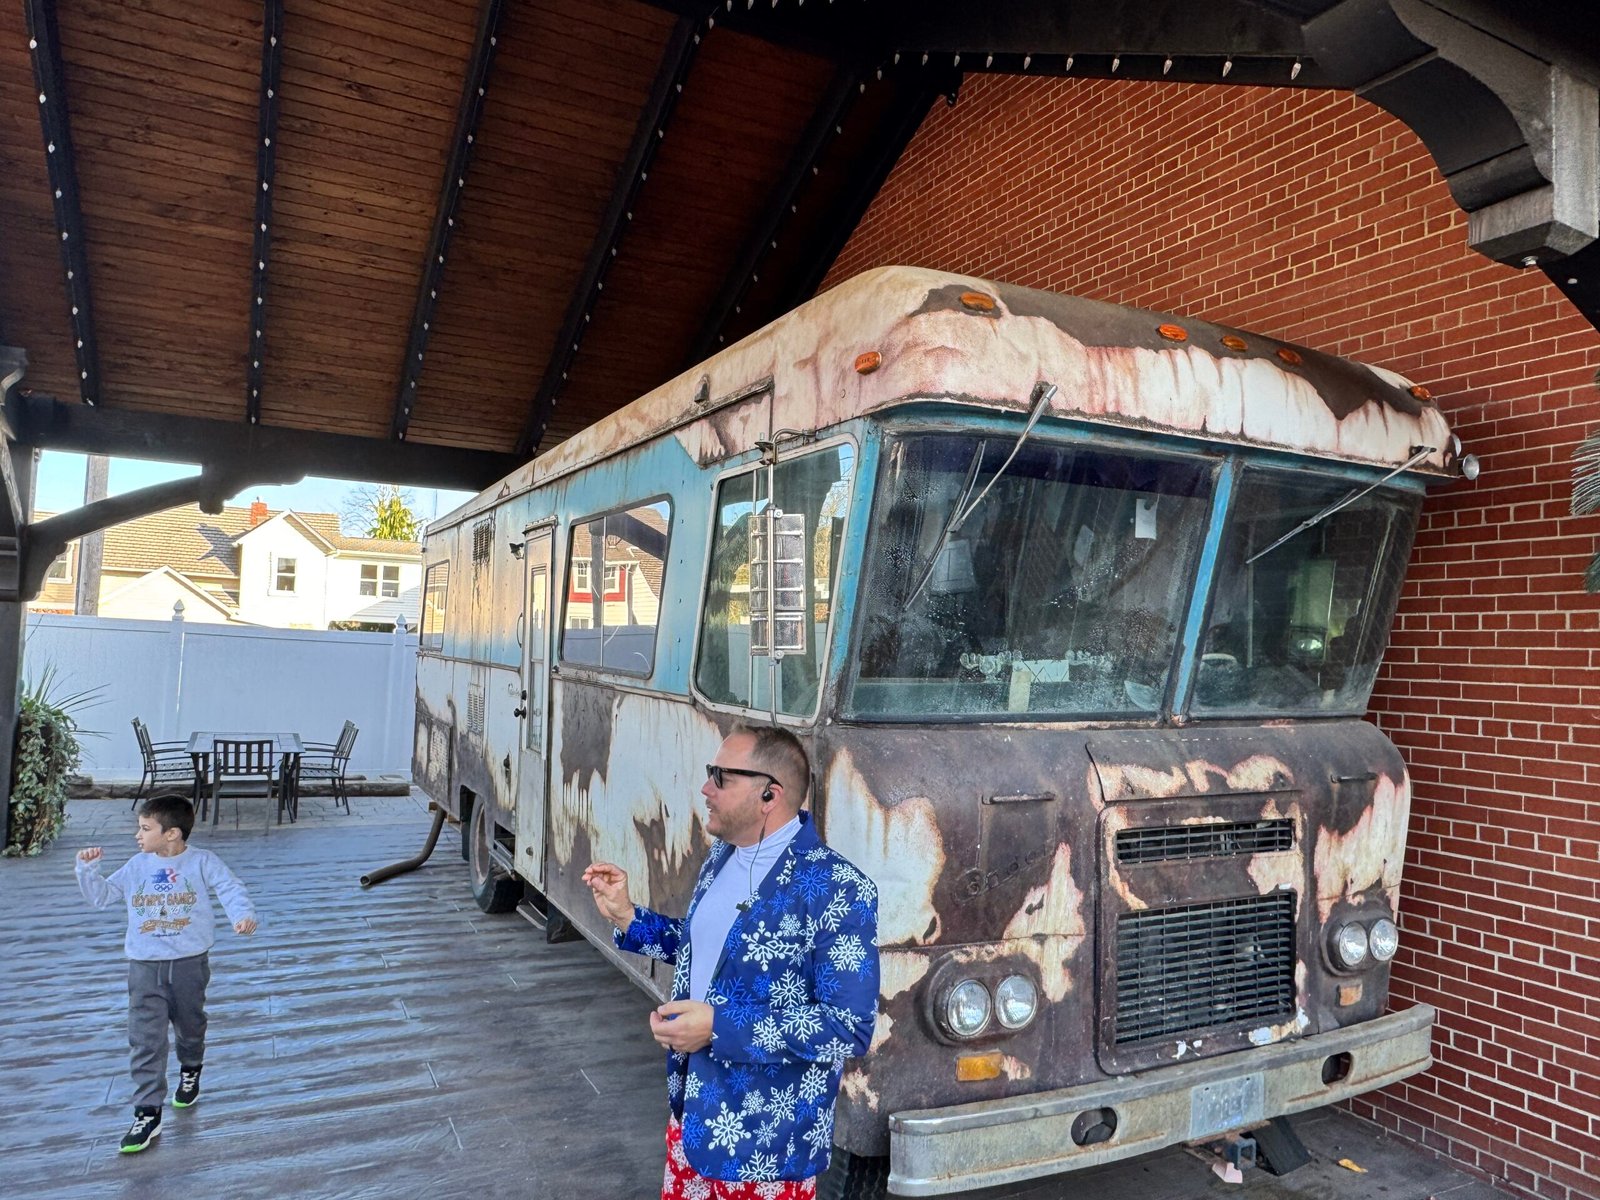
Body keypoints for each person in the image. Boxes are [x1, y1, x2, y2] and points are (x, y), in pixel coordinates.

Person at [583, 725, 879, 1199]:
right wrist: (628, 917)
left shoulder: (838, 888)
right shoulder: (723, 856)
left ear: (769, 795)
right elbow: (709, 951)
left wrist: (718, 1027)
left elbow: (848, 1026)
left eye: (721, 777)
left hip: (765, 1150)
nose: (706, 788)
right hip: (693, 1125)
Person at [75, 793, 257, 1153]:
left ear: (172, 833)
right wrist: (87, 870)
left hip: (189, 964)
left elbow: (230, 887)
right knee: (145, 1039)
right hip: (144, 966)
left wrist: (242, 915)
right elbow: (102, 897)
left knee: (190, 1024)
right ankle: (148, 1110)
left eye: (145, 828)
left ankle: (190, 1068)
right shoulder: (137, 865)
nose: (137, 835)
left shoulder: (202, 862)